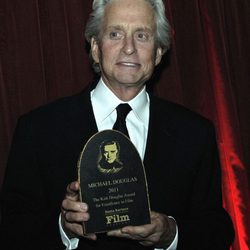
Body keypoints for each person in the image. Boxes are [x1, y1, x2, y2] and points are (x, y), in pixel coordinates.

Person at [0, 0, 235, 249]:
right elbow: (11, 229)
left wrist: (171, 233)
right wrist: (63, 227)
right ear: (95, 47)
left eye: (142, 35)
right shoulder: (39, 129)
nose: (129, 48)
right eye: (115, 34)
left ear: (157, 53)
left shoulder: (195, 134)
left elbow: (216, 229)